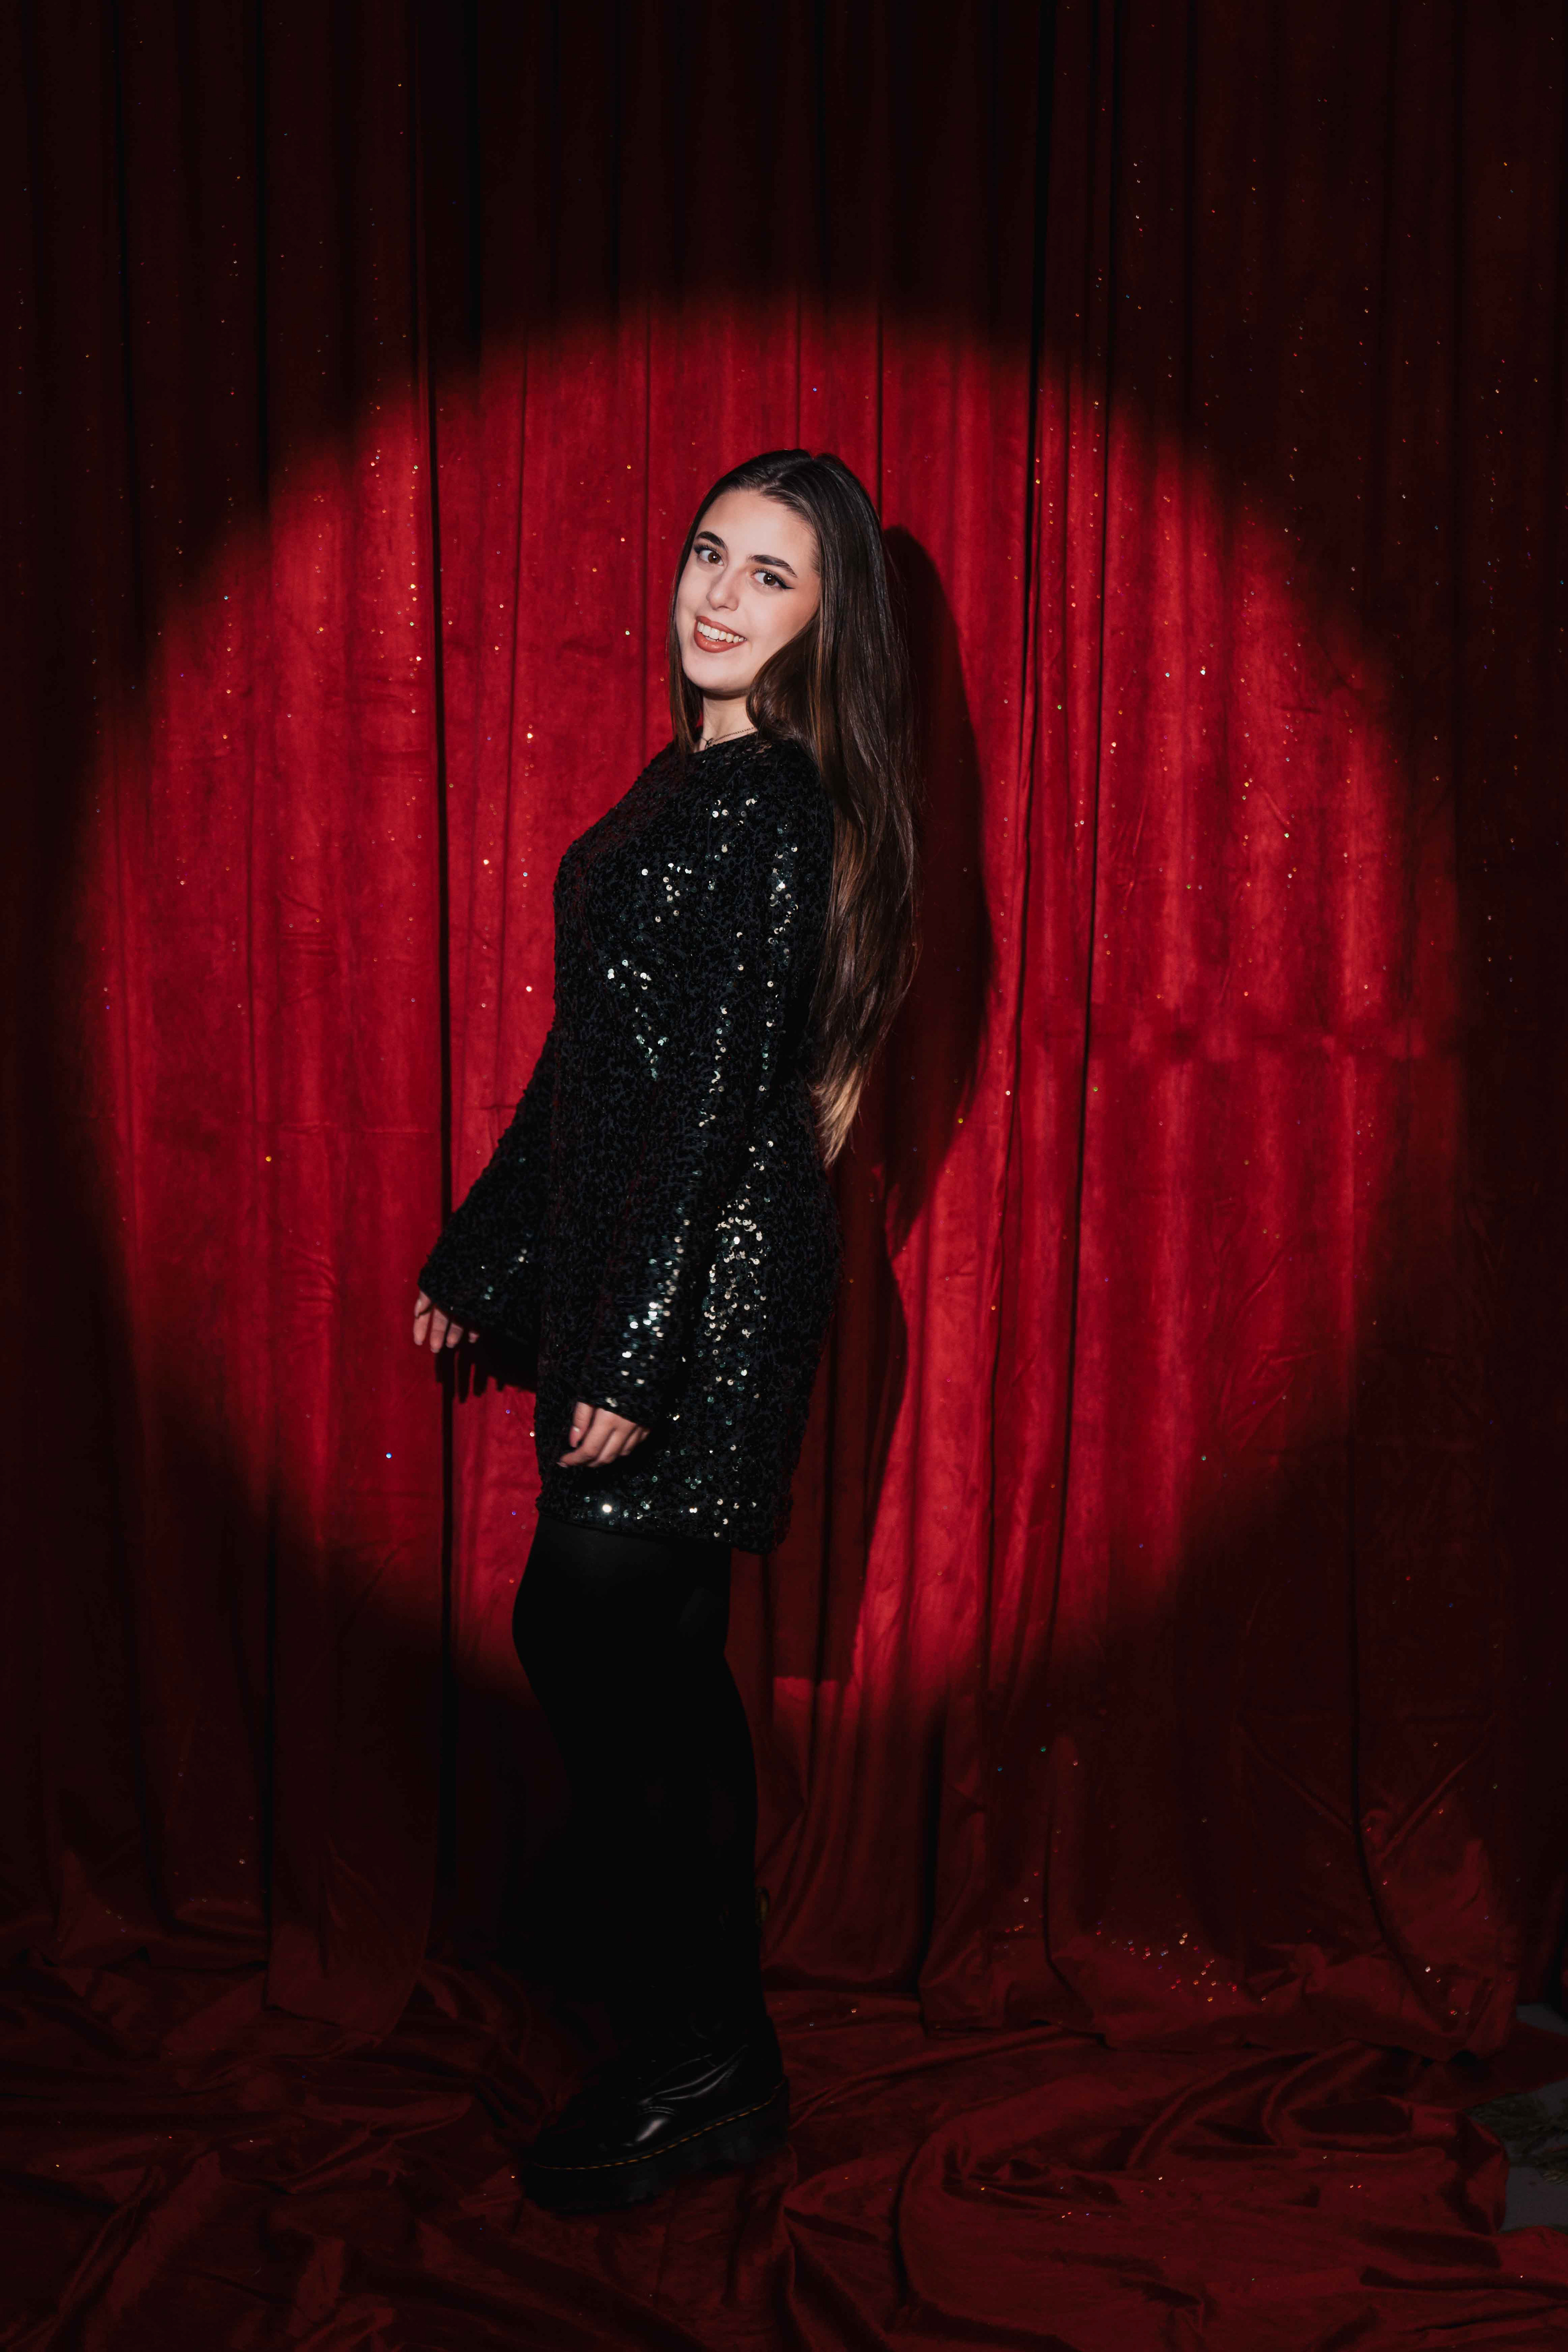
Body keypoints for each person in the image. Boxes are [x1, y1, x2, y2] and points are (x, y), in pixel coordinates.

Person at [412, 448, 919, 2211]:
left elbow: (707, 1098)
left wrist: (631, 1352)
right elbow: (595, 1058)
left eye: (770, 575)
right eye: (711, 553)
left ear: (825, 620)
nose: (718, 593)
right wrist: (485, 1255)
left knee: (588, 1627)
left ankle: (703, 2043)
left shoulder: (768, 803)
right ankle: (709, 2047)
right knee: (656, 1663)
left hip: (712, 1279)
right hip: (671, 1261)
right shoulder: (681, 783)